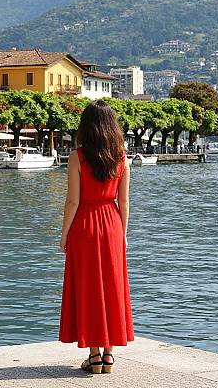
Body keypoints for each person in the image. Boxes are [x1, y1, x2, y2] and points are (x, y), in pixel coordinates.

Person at [59, 100, 134, 374]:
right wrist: (123, 235)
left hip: (86, 225)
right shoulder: (122, 158)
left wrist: (64, 234)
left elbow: (72, 202)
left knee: (89, 287)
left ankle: (93, 356)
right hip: (112, 223)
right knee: (113, 286)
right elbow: (124, 202)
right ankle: (109, 355)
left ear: (86, 127)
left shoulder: (77, 157)